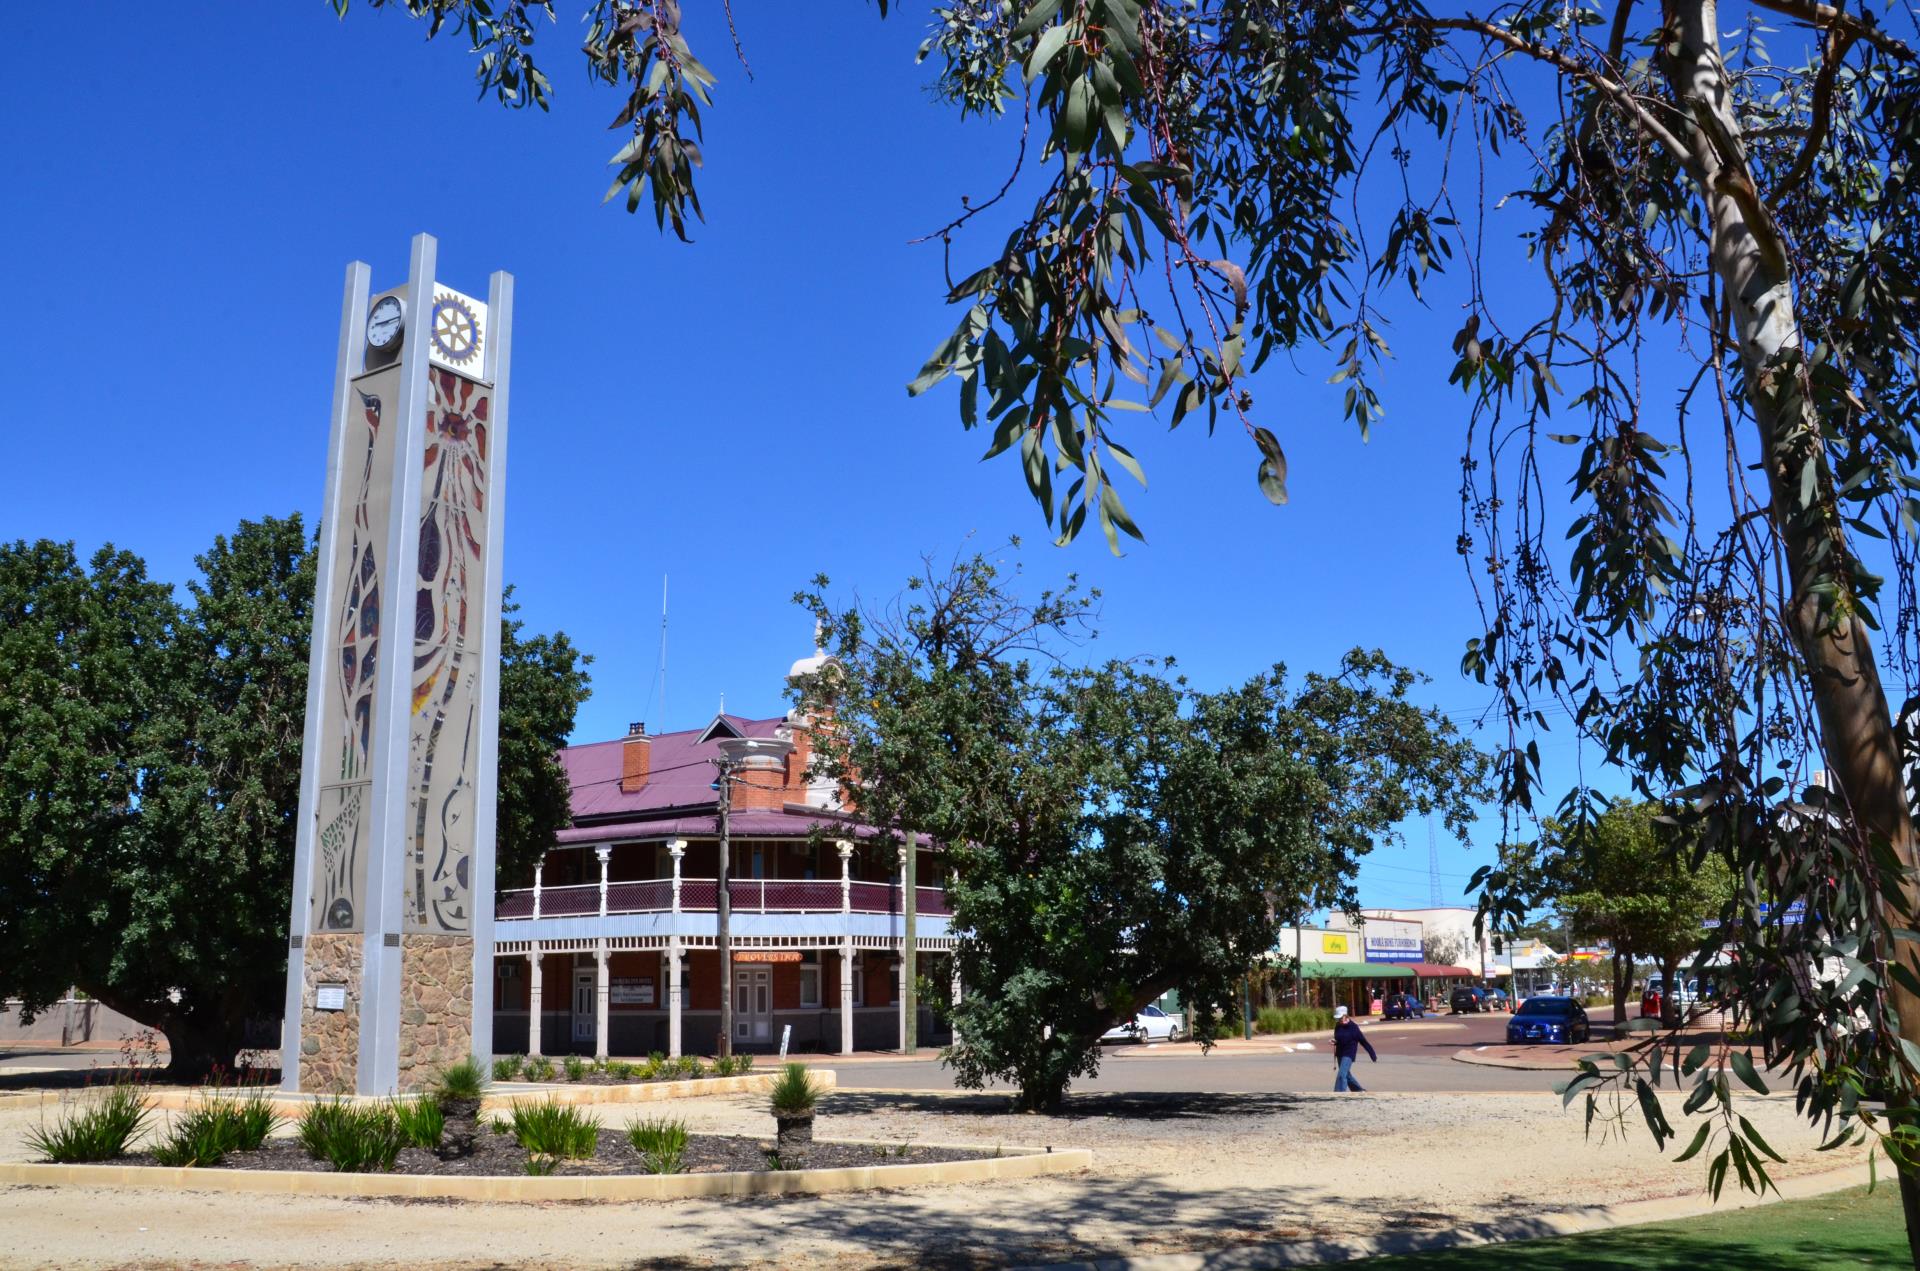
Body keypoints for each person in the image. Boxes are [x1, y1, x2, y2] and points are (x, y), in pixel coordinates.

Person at [1332, 1005, 1377, 1092]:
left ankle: (1339, 1093)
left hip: (1349, 1053)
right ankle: (1359, 1090)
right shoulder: (1338, 1026)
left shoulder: (1354, 1027)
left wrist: (1372, 1054)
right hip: (1340, 1053)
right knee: (1347, 1074)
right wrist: (1335, 1042)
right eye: (1338, 1018)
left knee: (1342, 1074)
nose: (1339, 1019)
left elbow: (1363, 1041)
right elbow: (1339, 1039)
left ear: (1345, 1016)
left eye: (1340, 1017)